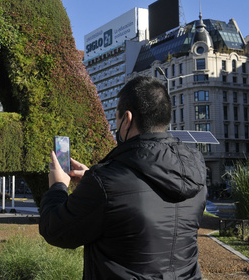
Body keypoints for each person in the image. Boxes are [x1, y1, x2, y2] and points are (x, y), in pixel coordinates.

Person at [39, 76, 207, 279]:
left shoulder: (105, 183)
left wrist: (57, 186)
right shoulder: (196, 176)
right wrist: (94, 180)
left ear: (126, 120)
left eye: (116, 120)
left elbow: (55, 230)